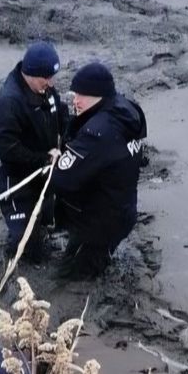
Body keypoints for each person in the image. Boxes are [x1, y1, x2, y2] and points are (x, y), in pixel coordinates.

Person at [50, 62, 147, 280]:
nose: (75, 101)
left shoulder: (97, 133)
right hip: (122, 209)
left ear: (97, 95)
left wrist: (57, 161)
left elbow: (62, 179)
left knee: (72, 276)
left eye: (81, 95)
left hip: (96, 225)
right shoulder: (127, 109)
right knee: (97, 258)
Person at [0, 41, 68, 262]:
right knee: (24, 247)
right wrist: (44, 159)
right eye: (46, 78)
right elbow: (8, 151)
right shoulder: (9, 102)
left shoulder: (44, 87)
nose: (51, 83)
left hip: (44, 175)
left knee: (48, 224)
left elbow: (60, 114)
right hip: (19, 182)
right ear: (31, 74)